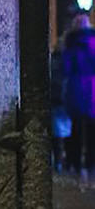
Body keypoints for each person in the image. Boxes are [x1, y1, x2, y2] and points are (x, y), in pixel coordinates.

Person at [62, 12, 95, 176]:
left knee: (74, 128)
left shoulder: (70, 43)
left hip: (75, 87)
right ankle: (90, 163)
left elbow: (65, 68)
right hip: (93, 89)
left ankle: (72, 162)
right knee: (92, 129)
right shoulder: (93, 42)